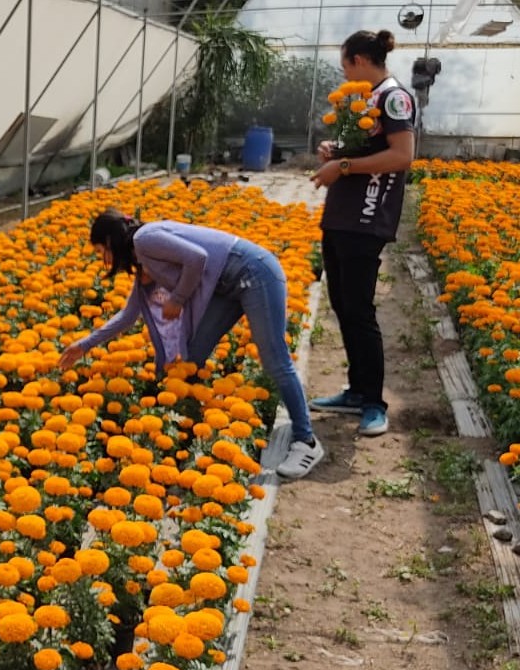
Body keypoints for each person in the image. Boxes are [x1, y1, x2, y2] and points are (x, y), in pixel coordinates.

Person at [57, 209, 325, 479]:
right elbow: (128, 316)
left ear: (111, 240)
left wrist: (178, 298)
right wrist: (84, 345)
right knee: (190, 359)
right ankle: (188, 431)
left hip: (254, 272)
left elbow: (198, 258)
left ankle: (306, 441)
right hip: (228, 287)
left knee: (274, 359)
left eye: (102, 249)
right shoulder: (145, 265)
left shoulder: (144, 238)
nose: (104, 258)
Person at [309, 29, 416, 436]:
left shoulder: (393, 97)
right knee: (343, 306)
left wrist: (345, 167)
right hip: (342, 215)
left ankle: (374, 402)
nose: (343, 74)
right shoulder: (363, 100)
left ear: (357, 61)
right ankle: (356, 391)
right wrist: (335, 152)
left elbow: (402, 156)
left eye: (344, 66)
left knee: (359, 310)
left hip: (367, 218)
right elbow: (366, 148)